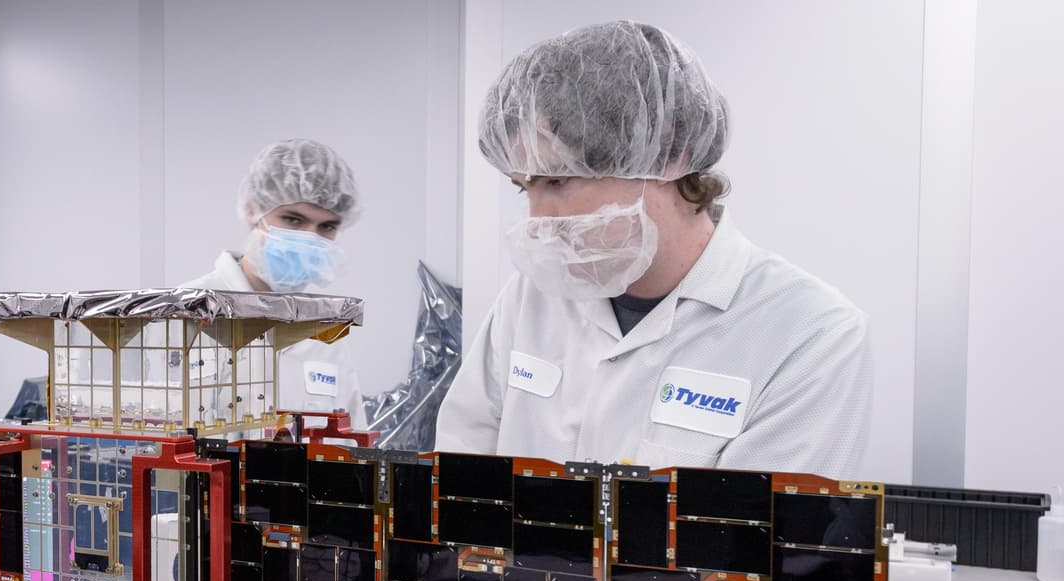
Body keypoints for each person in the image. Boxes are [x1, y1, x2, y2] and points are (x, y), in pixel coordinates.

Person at [435, 21, 872, 479]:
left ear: (668, 153)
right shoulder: (532, 295)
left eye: (558, 180)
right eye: (523, 187)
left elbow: (755, 522)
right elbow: (462, 465)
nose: (538, 223)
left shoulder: (810, 334)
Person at [180, 138, 367, 429]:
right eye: (293, 220)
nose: (309, 238)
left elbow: (348, 437)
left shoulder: (328, 333)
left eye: (326, 226)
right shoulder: (185, 313)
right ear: (252, 209)